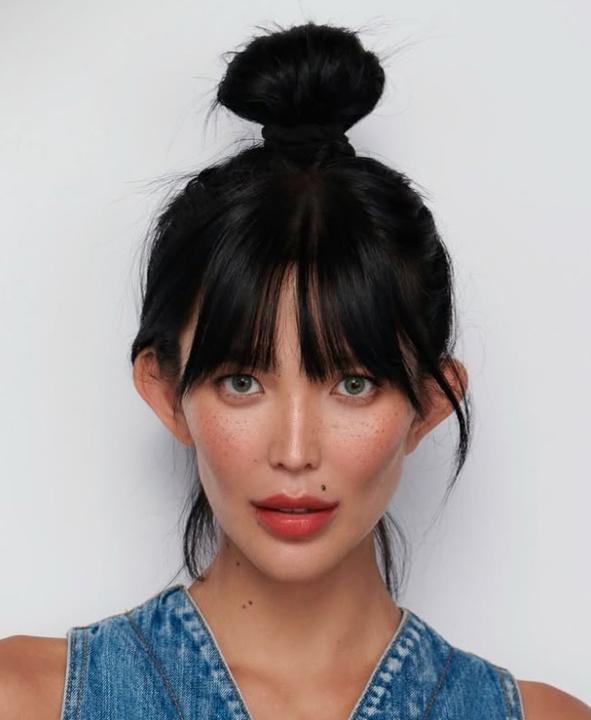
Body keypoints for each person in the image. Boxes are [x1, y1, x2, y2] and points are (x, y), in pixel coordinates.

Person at [1, 20, 589, 720]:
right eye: (242, 382)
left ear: (430, 404)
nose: (294, 451)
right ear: (166, 393)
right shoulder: (25, 699)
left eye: (353, 384)